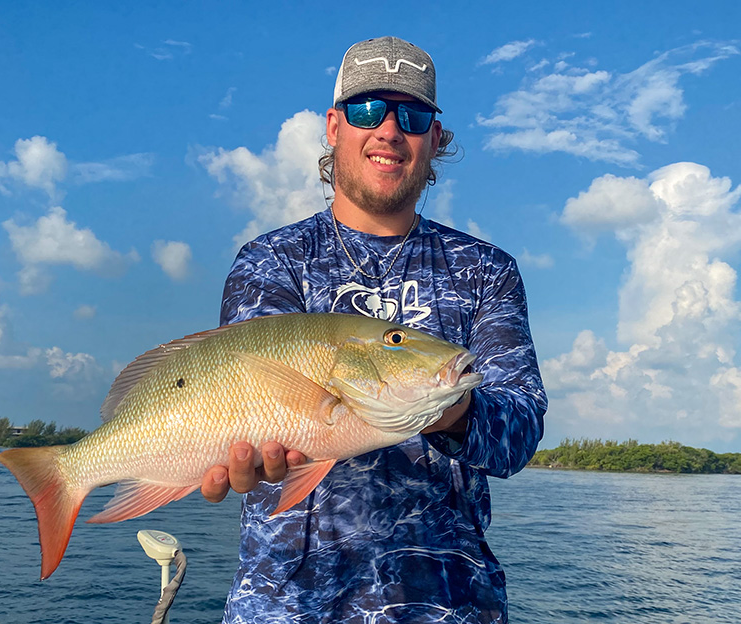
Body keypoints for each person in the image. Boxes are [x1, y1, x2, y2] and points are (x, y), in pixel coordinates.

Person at [205, 36, 547, 623]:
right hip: (285, 603)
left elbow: (518, 435)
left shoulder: (485, 271)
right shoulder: (271, 260)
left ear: (435, 140)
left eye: (412, 116)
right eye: (368, 110)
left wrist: (441, 407)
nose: (389, 130)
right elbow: (250, 402)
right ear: (335, 127)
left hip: (448, 604)